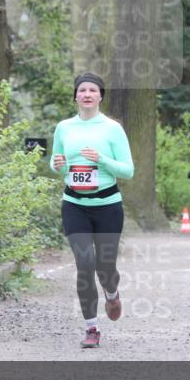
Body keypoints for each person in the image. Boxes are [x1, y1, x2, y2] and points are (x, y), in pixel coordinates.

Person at [51, 72, 134, 349]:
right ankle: (91, 328)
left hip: (108, 206)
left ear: (100, 96)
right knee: (85, 265)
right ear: (75, 95)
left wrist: (102, 159)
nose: (87, 94)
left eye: (93, 90)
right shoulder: (64, 127)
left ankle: (112, 293)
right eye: (82, 90)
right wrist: (58, 164)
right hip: (74, 205)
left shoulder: (112, 129)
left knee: (105, 267)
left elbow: (128, 170)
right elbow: (57, 164)